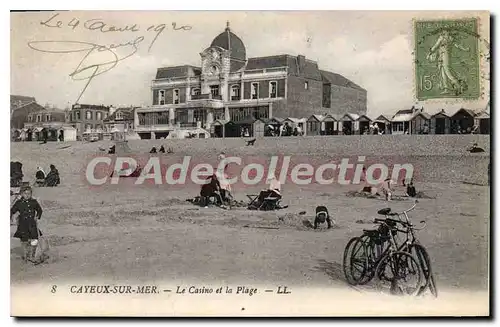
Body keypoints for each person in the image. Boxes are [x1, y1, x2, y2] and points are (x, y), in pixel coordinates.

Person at [10, 186, 43, 263]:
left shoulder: (34, 202)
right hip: (22, 224)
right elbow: (12, 211)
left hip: (32, 224)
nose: (27, 195)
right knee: (24, 240)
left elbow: (39, 210)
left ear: (31, 194)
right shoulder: (19, 203)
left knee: (34, 239)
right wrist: (12, 217)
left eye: (29, 193)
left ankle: (32, 255)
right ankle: (25, 256)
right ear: (21, 194)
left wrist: (37, 217)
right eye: (25, 193)